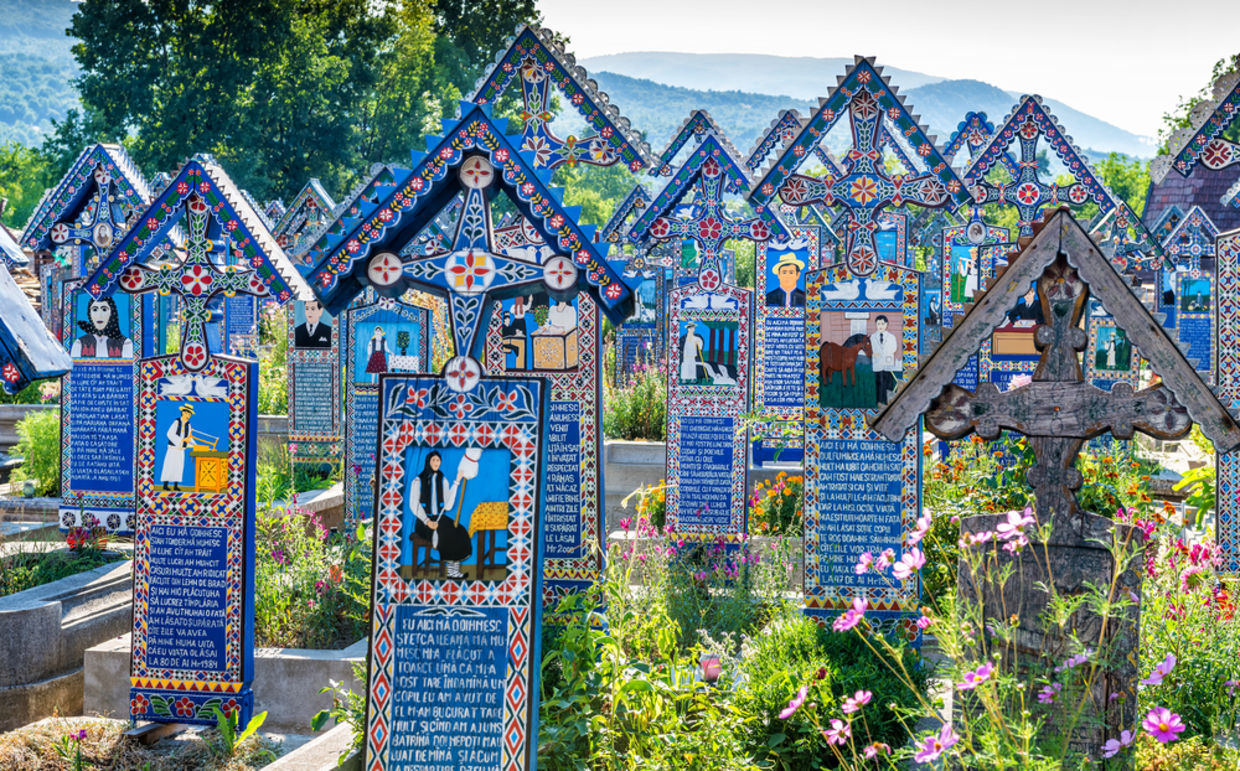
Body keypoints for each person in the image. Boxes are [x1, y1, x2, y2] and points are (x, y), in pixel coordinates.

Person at [407, 451, 472, 578]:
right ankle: (450, 568)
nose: (436, 463)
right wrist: (427, 521)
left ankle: (453, 571)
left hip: (439, 518)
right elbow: (414, 504)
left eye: (438, 461)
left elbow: (448, 505)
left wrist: (457, 482)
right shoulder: (417, 481)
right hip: (423, 521)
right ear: (428, 462)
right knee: (446, 533)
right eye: (433, 460)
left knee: (458, 530)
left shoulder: (443, 480)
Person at [160, 404, 194, 491]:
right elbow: (169, 434)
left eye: (190, 415)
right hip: (173, 448)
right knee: (169, 465)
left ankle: (175, 485)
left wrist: (194, 445)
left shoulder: (188, 425)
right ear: (183, 412)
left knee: (178, 466)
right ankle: (165, 484)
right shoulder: (176, 422)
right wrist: (181, 440)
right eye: (188, 414)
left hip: (181, 449)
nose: (189, 416)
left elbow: (190, 437)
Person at [870, 315, 899, 406]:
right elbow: (871, 350)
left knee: (887, 383)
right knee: (878, 383)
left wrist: (884, 353)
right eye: (878, 324)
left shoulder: (891, 337)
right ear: (876, 325)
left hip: (887, 364)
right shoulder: (872, 337)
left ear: (886, 324)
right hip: (877, 365)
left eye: (882, 324)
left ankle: (888, 402)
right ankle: (878, 402)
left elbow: (894, 348)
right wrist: (874, 354)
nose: (880, 326)